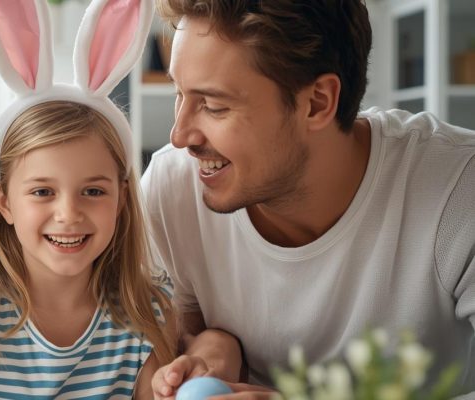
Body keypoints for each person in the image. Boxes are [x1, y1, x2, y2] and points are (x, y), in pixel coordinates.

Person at [145, 0, 475, 396]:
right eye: (179, 93)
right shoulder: (172, 188)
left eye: (214, 106)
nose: (179, 136)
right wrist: (214, 347)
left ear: (317, 102)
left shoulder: (457, 190)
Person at [0, 1, 242, 398]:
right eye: (42, 192)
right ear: (2, 202)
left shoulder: (147, 312)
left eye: (93, 191)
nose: (69, 214)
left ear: (122, 199)